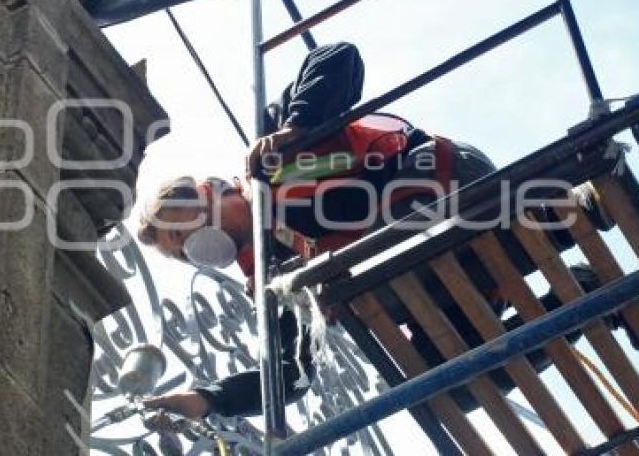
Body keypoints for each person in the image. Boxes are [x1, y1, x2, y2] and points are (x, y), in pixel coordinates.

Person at [135, 42, 507, 419]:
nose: (191, 251)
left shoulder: (271, 159)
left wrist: (297, 129)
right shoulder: (273, 279)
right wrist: (210, 399)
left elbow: (339, 56)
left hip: (445, 184)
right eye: (180, 254)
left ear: (204, 192)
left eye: (179, 235)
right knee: (446, 390)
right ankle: (563, 298)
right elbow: (291, 373)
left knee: (354, 273)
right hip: (441, 275)